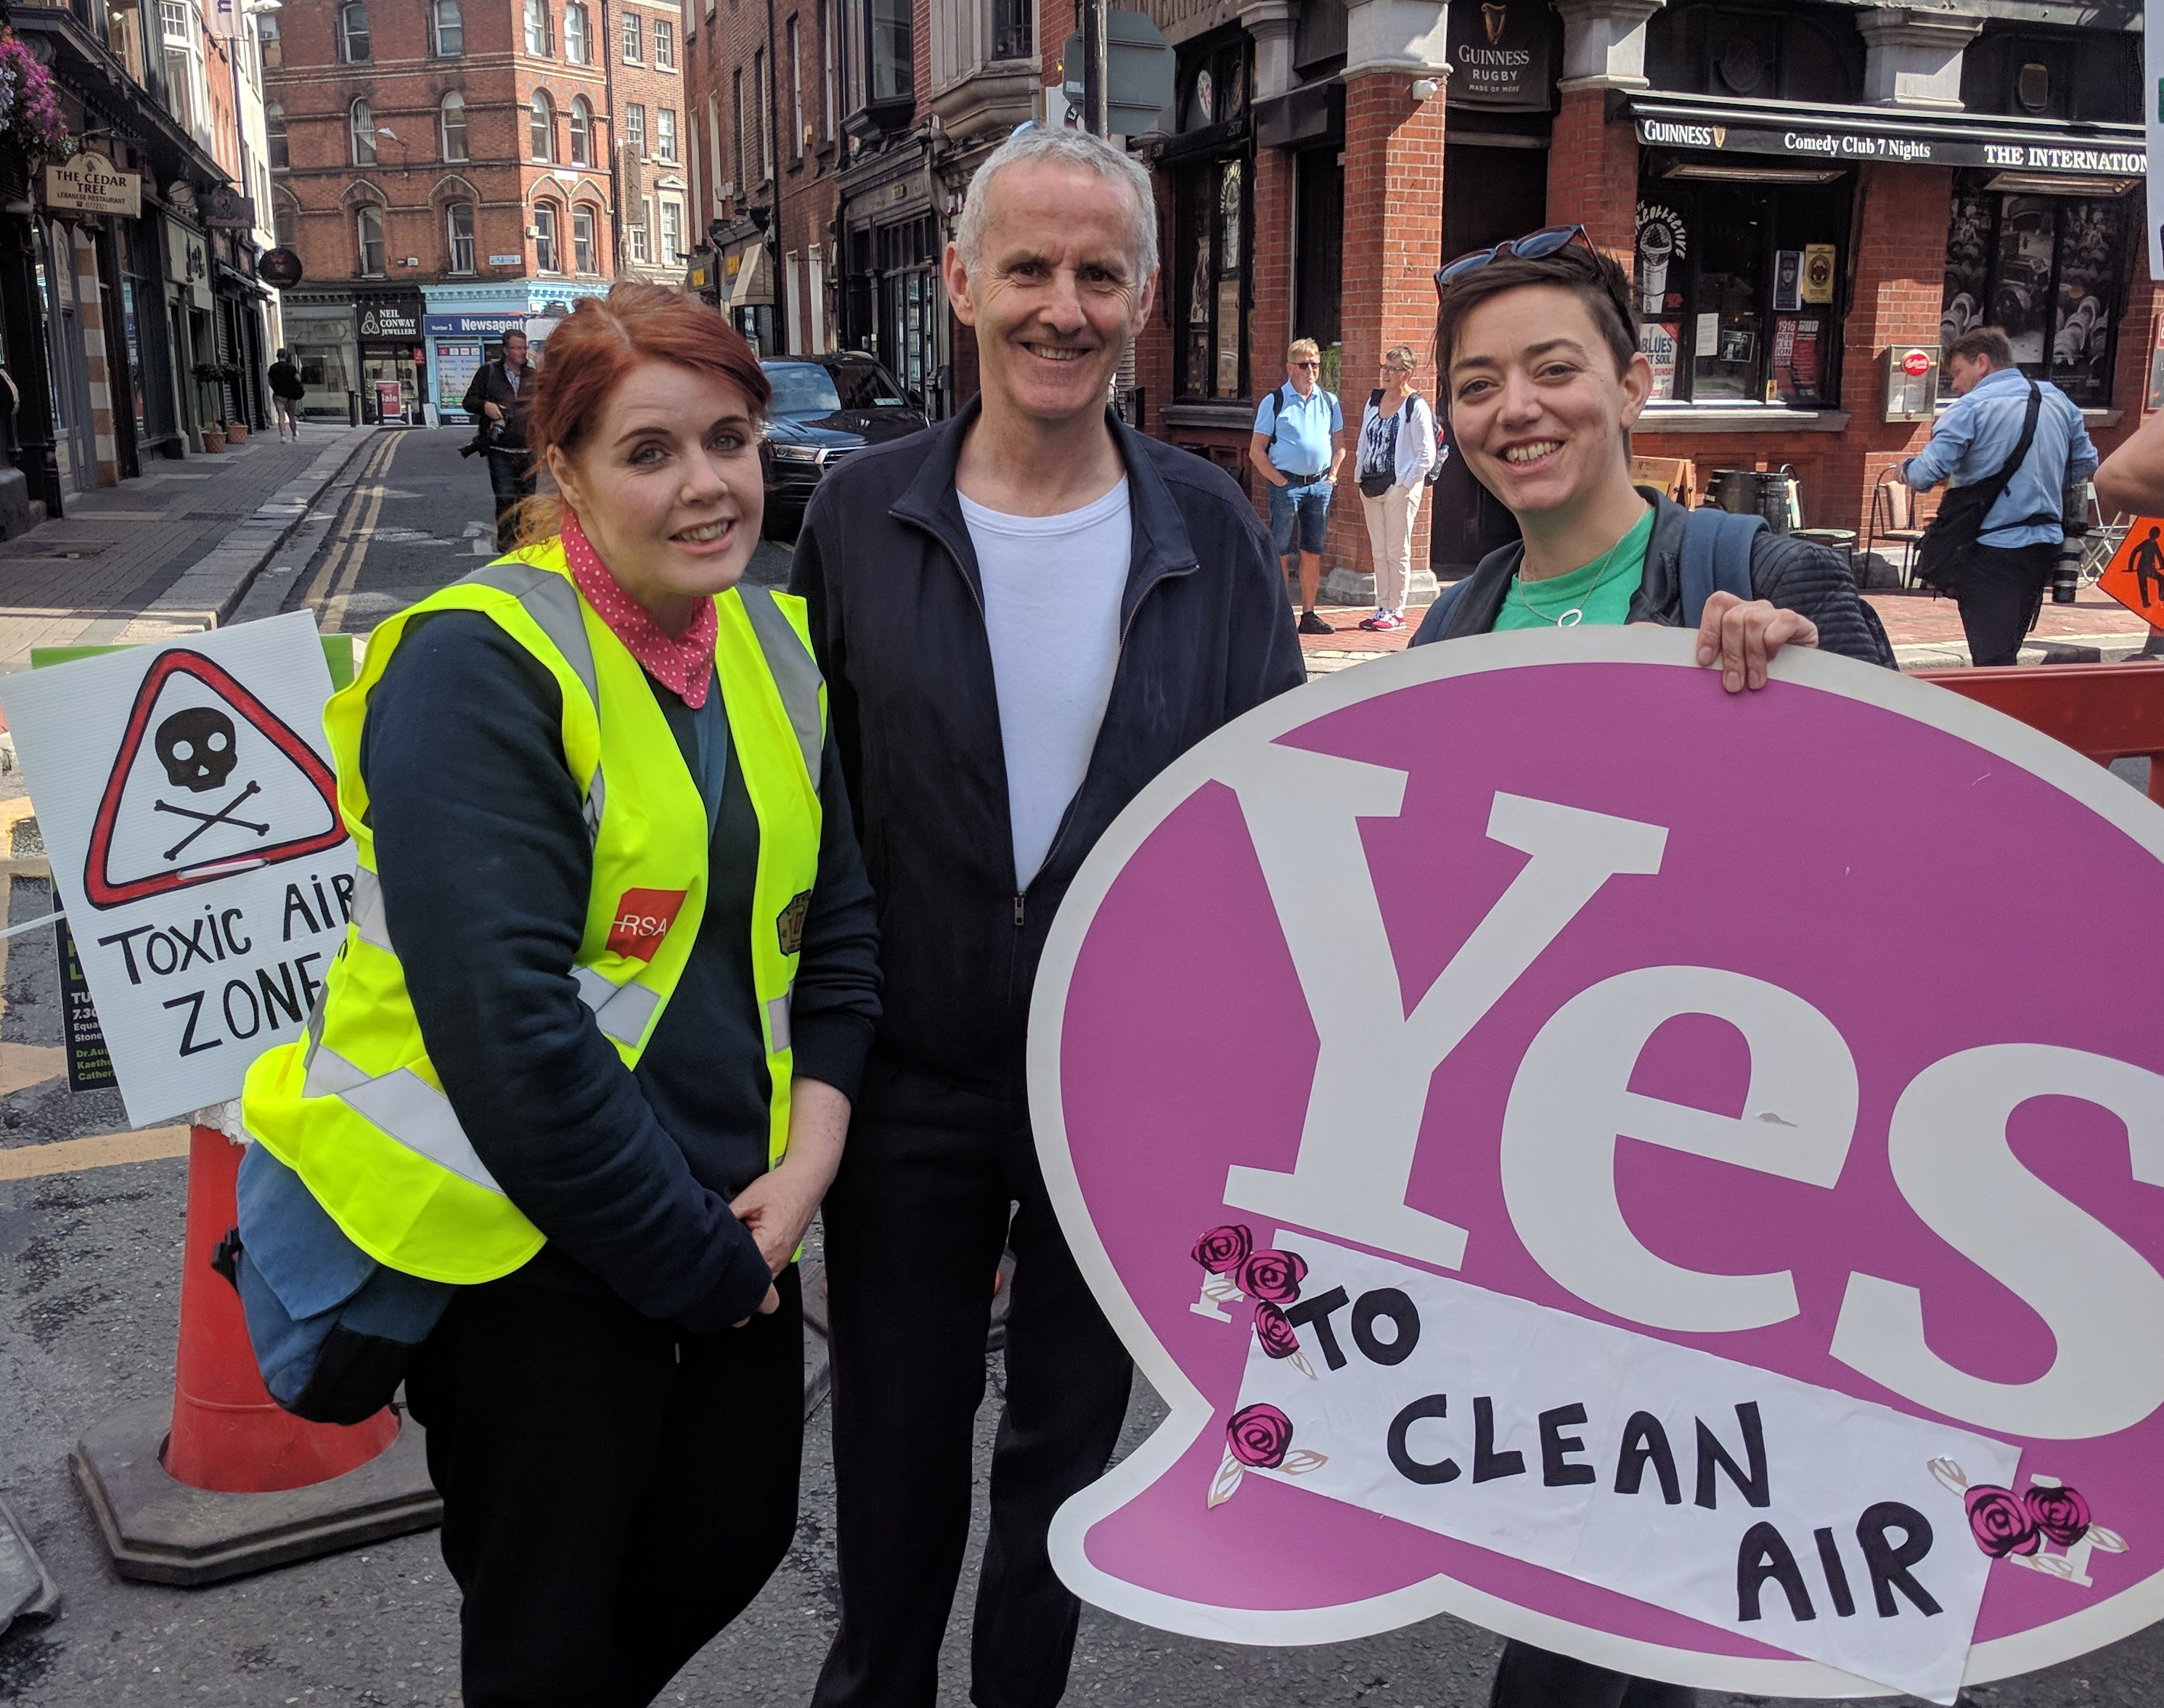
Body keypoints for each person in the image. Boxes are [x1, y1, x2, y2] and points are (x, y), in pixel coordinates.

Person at [242, 284, 881, 1708]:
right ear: (568, 471)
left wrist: (808, 1166)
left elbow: (835, 930)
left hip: (730, 1208)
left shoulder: (770, 647)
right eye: (648, 451)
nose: (705, 483)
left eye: (727, 438)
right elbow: (508, 1030)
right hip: (519, 1241)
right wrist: (696, 1264)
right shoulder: (475, 661)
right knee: (542, 1616)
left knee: (728, 1535)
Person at [791, 126, 1303, 1708]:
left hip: (1116, 1096)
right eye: (1027, 268)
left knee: (1061, 1461)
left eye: (1096, 274)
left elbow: (1278, 813)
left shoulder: (1209, 531)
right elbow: (811, 807)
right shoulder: (856, 518)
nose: (1059, 307)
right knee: (889, 1450)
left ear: (1141, 297)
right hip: (907, 1081)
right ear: (959, 284)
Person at [1417, 227, 1894, 1708]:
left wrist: (1804, 692)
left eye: (1552, 368)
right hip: (1538, 1157)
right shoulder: (1455, 621)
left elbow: (1902, 859)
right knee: (1594, 1520)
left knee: (1641, 1568)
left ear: (1629, 383)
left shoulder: (1762, 570)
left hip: (1723, 1149)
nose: (1516, 408)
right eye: (1478, 382)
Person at [1895, 326, 2097, 667]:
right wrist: (2039, 483)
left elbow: (1925, 475)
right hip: (2046, 544)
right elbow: (2086, 462)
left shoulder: (1971, 408)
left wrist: (1904, 467)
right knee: (2006, 647)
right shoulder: (2056, 399)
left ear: (1982, 363)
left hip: (1991, 548)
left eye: (1958, 373)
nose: (1956, 386)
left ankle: (1997, 715)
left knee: (1992, 658)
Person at [1249, 337, 1344, 634]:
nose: (1311, 371)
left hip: (1319, 487)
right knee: (1280, 550)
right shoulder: (1274, 402)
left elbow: (1340, 446)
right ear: (1290, 367)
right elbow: (1256, 450)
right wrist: (1279, 480)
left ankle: (1309, 614)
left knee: (1312, 551)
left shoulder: (1329, 401)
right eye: (1304, 365)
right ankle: (1282, 613)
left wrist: (1332, 478)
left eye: (1315, 364)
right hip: (1286, 486)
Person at [1354, 345, 1437, 632]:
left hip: (1398, 487)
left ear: (1407, 374)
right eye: (1384, 367)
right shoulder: (1374, 400)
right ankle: (1382, 607)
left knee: (1396, 550)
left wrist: (1404, 485)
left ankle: (1396, 610)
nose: (1386, 373)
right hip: (1371, 485)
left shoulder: (1415, 406)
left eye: (1393, 369)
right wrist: (1358, 474)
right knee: (1378, 551)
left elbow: (1426, 454)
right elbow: (1364, 440)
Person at [463, 328, 539, 551]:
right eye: (518, 348)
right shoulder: (489, 373)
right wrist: (485, 406)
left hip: (528, 451)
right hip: (500, 451)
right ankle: (507, 547)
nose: (524, 352)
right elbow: (468, 402)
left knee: (528, 503)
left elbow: (551, 399)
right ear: (506, 350)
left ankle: (526, 547)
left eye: (526, 348)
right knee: (506, 501)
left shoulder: (534, 377)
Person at [267, 348, 305, 442]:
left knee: (281, 416)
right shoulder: (291, 367)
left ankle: (283, 436)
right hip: (291, 395)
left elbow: (270, 382)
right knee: (292, 416)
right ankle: (294, 435)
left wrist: (276, 389)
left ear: (277, 356)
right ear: (286, 356)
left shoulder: (273, 368)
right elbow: (298, 379)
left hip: (279, 395)